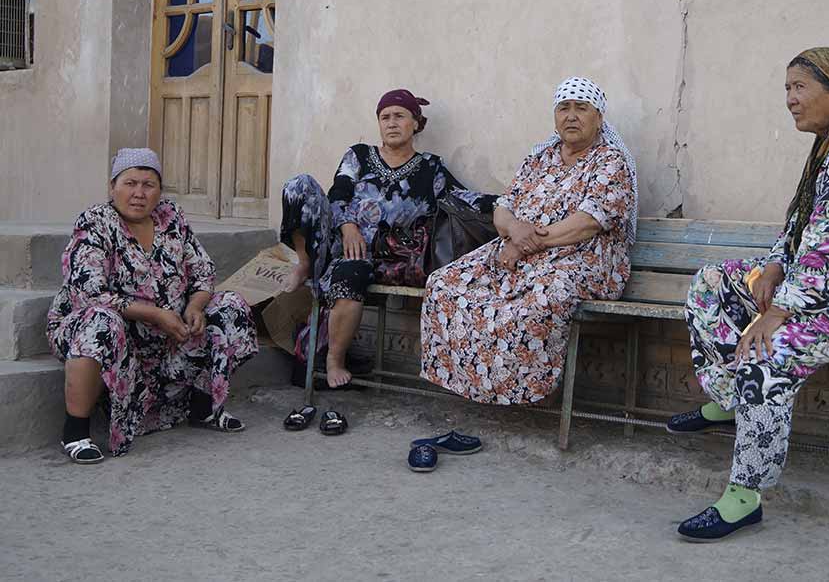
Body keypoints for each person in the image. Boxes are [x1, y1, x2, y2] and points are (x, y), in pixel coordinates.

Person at [668, 48, 829, 541]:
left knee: (769, 357)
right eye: (786, 88)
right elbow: (801, 228)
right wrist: (772, 267)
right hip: (818, 285)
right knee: (712, 284)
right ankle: (729, 397)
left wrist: (781, 310)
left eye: (800, 87)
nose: (789, 99)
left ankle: (744, 498)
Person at [411, 77, 637, 470]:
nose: (571, 116)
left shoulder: (611, 162)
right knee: (446, 284)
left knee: (540, 298)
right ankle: (478, 386)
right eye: (564, 107)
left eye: (581, 108)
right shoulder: (540, 157)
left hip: (582, 259)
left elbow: (587, 223)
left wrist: (525, 242)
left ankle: (526, 392)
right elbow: (503, 206)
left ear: (599, 117)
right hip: (521, 249)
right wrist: (512, 231)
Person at [48, 148, 258, 463]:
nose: (139, 193)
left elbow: (203, 273)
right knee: (101, 322)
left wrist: (196, 306)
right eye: (130, 183)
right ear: (112, 186)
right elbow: (89, 293)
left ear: (159, 190)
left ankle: (203, 407)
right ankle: (75, 431)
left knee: (230, 306)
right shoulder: (95, 222)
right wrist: (156, 314)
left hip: (164, 339)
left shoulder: (171, 219)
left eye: (149, 185)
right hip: (103, 332)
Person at [280, 89, 497, 389]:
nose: (391, 123)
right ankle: (304, 262)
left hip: (384, 258)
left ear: (415, 124)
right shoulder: (358, 155)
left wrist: (508, 204)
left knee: (351, 273)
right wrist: (348, 226)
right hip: (338, 243)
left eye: (399, 116)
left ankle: (334, 359)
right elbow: (338, 193)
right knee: (298, 185)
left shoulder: (429, 168)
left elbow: (461, 198)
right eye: (385, 117)